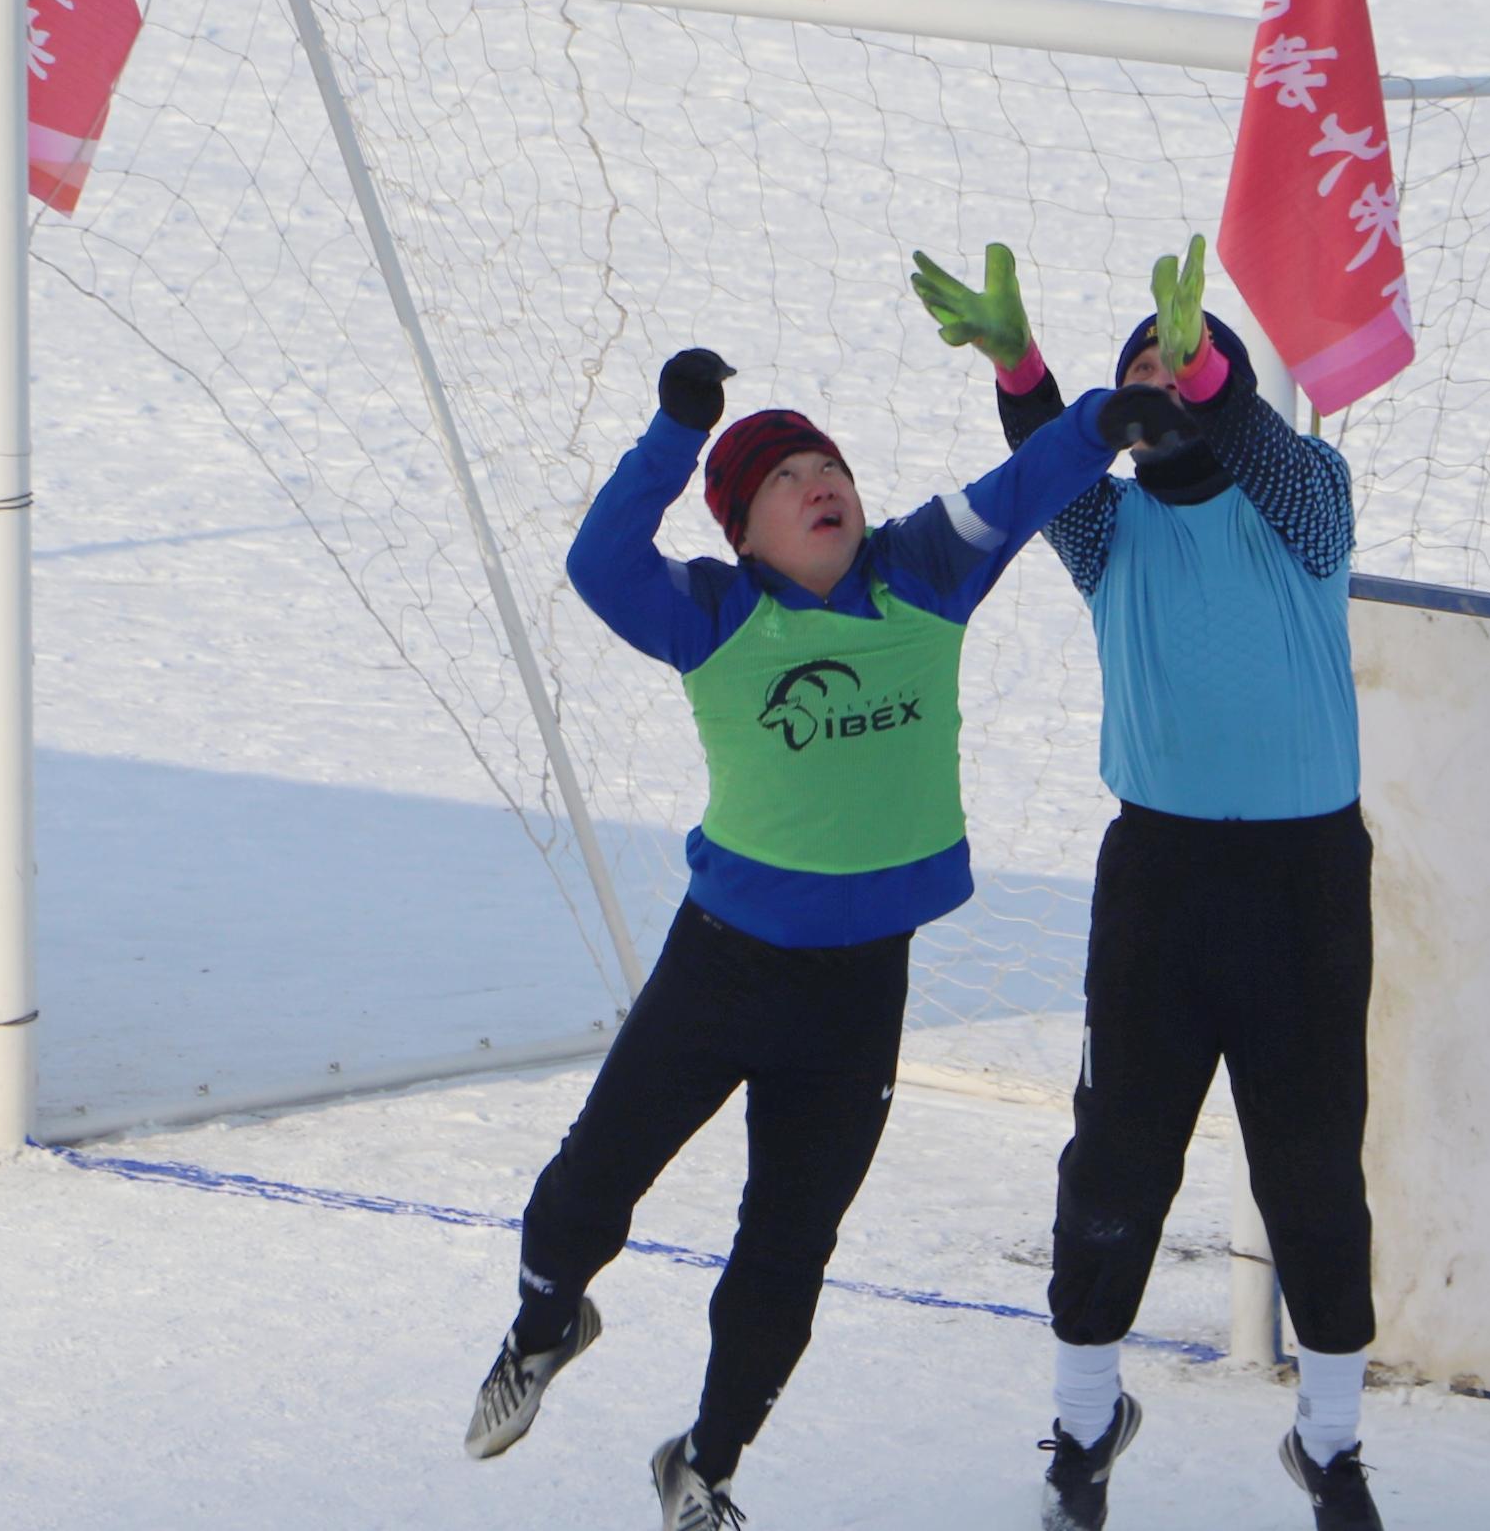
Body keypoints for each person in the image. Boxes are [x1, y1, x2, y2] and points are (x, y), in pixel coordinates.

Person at [462, 342, 1186, 1531]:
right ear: (744, 532)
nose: (817, 484)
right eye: (784, 477)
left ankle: (705, 1465)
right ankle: (544, 1323)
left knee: (788, 1249)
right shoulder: (713, 613)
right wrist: (675, 435)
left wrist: (1108, 414)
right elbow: (597, 565)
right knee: (597, 1178)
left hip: (856, 993)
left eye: (827, 466)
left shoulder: (925, 572)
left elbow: (1022, 488)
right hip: (721, 965)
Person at [912, 238, 1387, 1531]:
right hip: (1161, 880)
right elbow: (1041, 475)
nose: (1161, 386)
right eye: (1142, 378)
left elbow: (1271, 455)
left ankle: (1332, 1446)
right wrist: (1023, 369)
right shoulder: (1106, 529)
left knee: (1310, 1166)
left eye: (1181, 366)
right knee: (1118, 1161)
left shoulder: (1306, 504)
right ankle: (1080, 1424)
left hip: (1303, 882)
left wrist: (1210, 369)